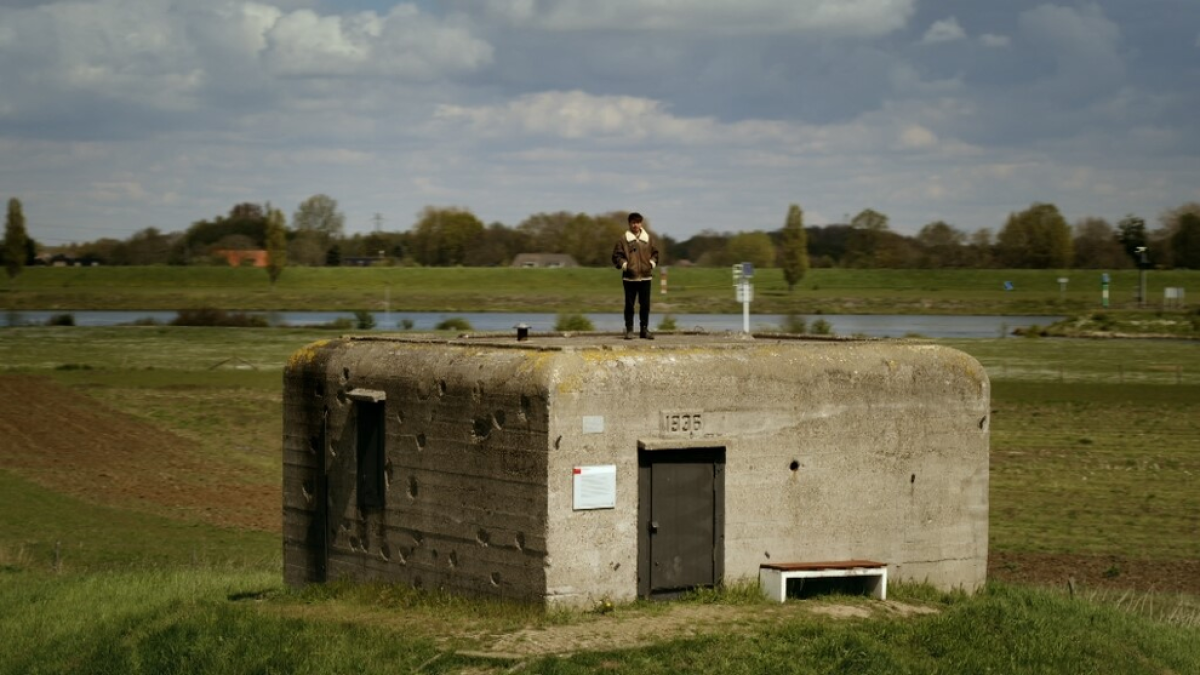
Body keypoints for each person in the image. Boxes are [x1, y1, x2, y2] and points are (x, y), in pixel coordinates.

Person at [612, 212, 660, 339]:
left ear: (641, 224)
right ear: (629, 224)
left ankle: (644, 330)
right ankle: (629, 330)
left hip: (646, 277)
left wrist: (651, 264)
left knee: (645, 305)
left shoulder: (648, 239)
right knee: (629, 305)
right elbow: (616, 256)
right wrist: (624, 265)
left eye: (637, 222)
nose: (635, 225)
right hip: (629, 278)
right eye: (633, 222)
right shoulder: (623, 240)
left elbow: (655, 254)